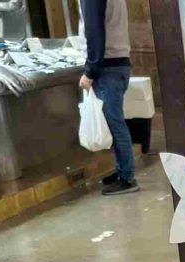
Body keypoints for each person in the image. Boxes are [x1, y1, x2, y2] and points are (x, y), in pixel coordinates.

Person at [79, 0, 137, 196]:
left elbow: (94, 30)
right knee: (116, 121)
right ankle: (122, 171)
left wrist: (90, 70)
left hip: (108, 65)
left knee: (115, 123)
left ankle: (127, 178)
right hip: (120, 62)